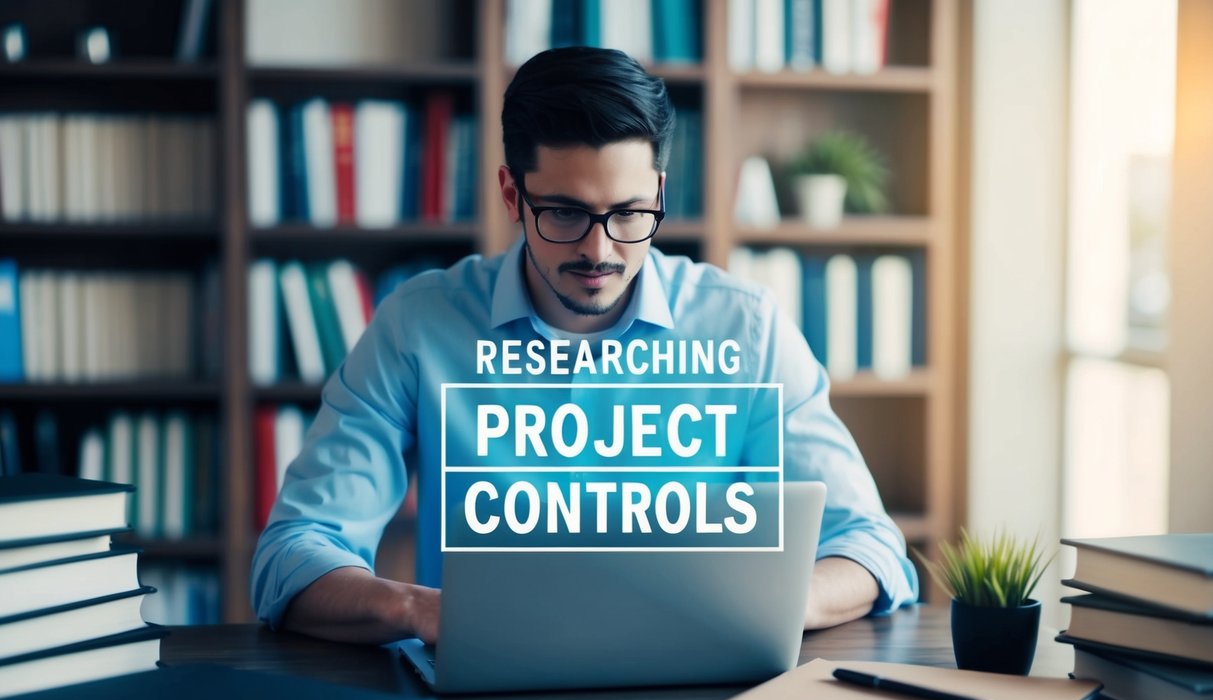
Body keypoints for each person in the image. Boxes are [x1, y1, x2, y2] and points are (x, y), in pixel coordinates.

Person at [251, 47, 917, 645]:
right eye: (565, 213)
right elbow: (293, 553)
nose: (598, 251)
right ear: (512, 194)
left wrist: (766, 606)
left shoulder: (746, 329)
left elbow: (868, 547)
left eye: (628, 213)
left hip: (695, 692)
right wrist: (420, 611)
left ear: (658, 192)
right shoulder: (416, 328)